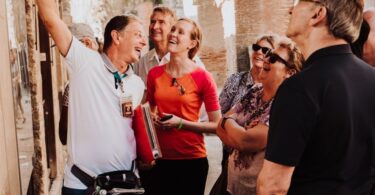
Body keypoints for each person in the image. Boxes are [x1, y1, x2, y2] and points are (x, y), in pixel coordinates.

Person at [257, 0, 375, 195]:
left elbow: (273, 187)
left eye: (298, 3)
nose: (290, 9)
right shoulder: (372, 79)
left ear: (317, 14)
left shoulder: (299, 88)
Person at [35, 0, 147, 194]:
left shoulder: (137, 84)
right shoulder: (85, 61)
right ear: (116, 37)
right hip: (82, 185)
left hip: (125, 184)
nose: (144, 41)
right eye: (137, 35)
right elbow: (50, 18)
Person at [217, 38, 303, 195]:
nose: (266, 58)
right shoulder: (255, 91)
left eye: (274, 58)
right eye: (269, 54)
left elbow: (245, 141)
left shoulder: (285, 105)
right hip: (231, 185)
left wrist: (229, 121)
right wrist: (238, 131)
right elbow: (219, 128)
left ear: (290, 73)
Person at [146, 18, 221, 195]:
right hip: (160, 161)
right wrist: (153, 120)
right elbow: (148, 112)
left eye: (181, 32)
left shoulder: (204, 77)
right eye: (173, 29)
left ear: (192, 43)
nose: (173, 34)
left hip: (192, 161)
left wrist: (181, 123)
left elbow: (217, 124)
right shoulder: (154, 74)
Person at [210, 34, 278, 195]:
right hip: (229, 154)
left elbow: (245, 138)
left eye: (265, 50)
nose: (259, 52)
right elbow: (221, 119)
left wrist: (232, 122)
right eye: (256, 47)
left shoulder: (276, 97)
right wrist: (235, 129)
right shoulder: (236, 80)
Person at [135, 6, 205, 85]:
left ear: (172, 28)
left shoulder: (192, 61)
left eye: (161, 22)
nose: (155, 27)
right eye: (152, 22)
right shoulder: (142, 63)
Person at [59, 23, 99, 145]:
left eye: (67, 49)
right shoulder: (115, 71)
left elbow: (64, 136)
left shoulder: (74, 86)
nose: (63, 54)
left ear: (87, 43)